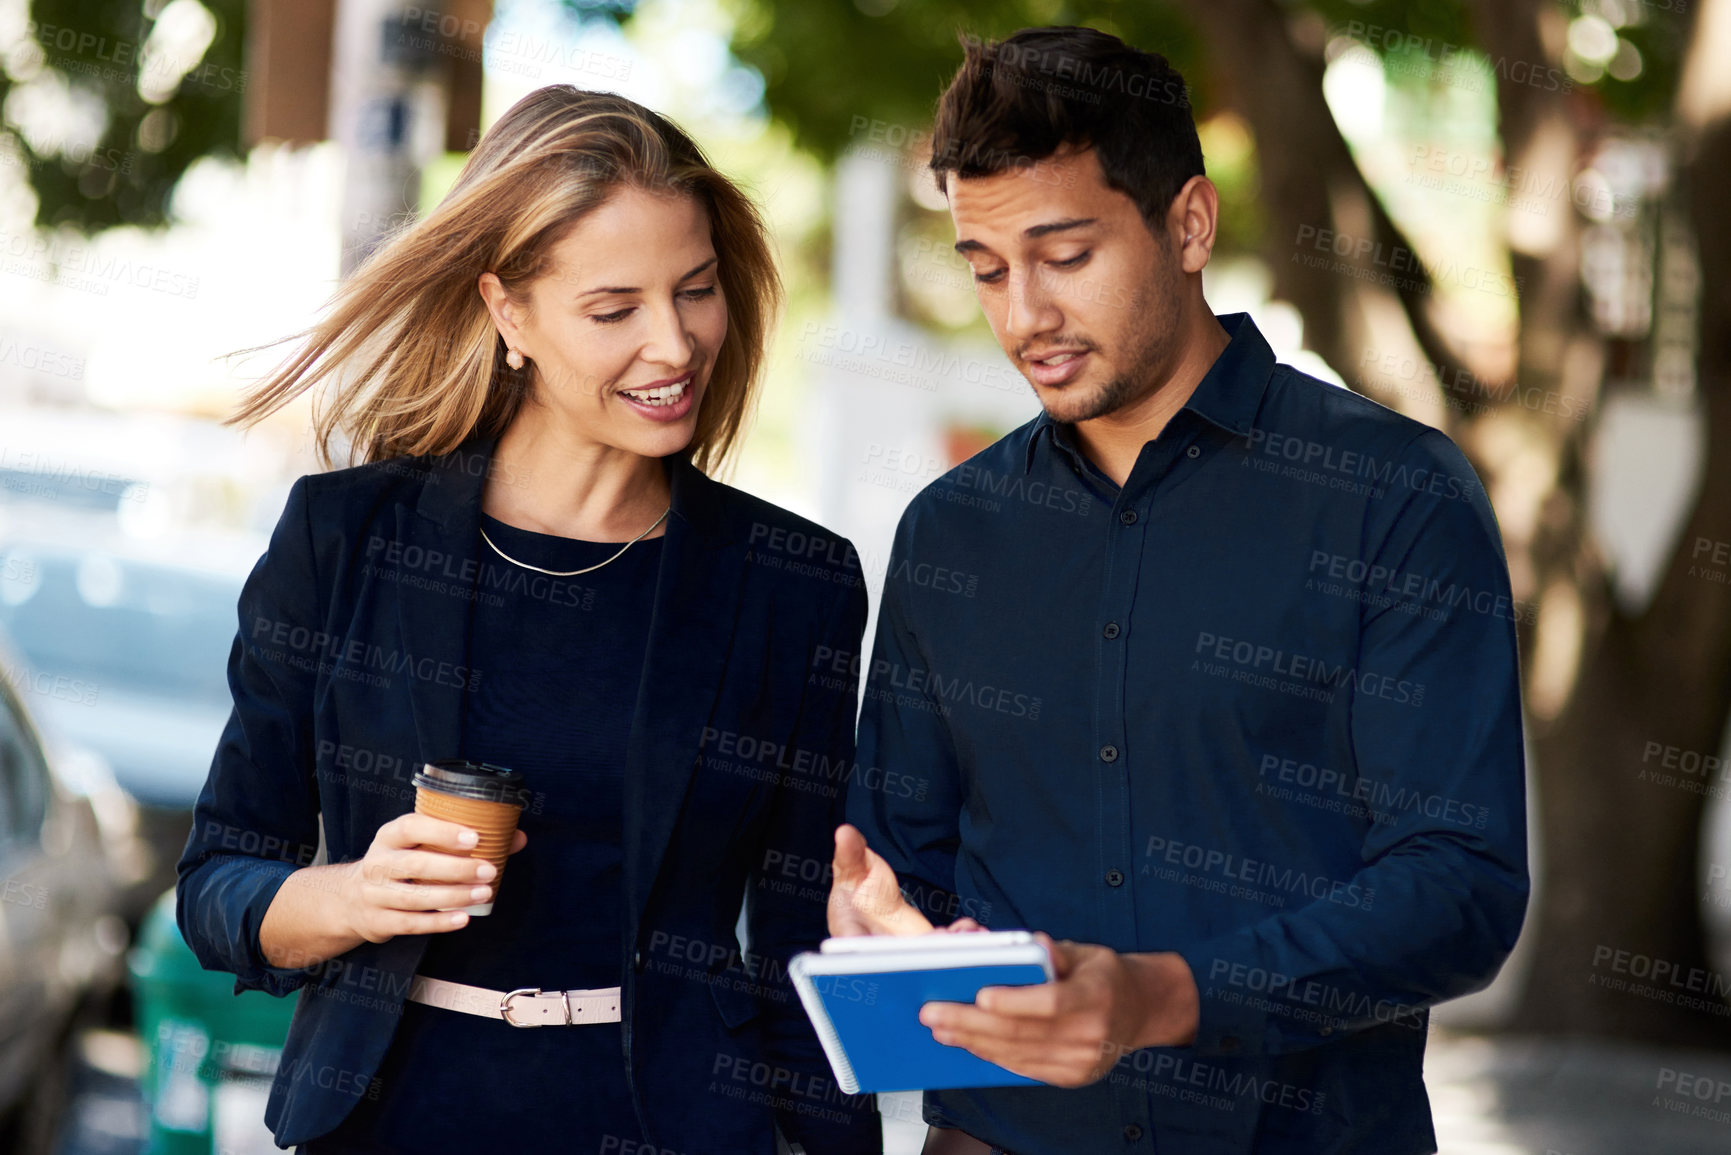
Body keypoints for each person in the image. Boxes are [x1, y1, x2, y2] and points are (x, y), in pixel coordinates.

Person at [827, 25, 1528, 1155]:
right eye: (988, 269)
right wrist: (883, 928)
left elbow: (1462, 888)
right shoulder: (950, 532)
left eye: (1066, 256)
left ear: (1189, 224)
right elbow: (901, 857)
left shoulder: (1391, 496)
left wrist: (1158, 997)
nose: (1023, 318)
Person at [176, 86, 880, 1155]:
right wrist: (356, 895)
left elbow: (800, 945)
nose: (674, 343)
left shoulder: (793, 581)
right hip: (386, 1122)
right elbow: (218, 885)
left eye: (696, 291)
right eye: (615, 310)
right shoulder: (345, 538)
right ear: (510, 314)